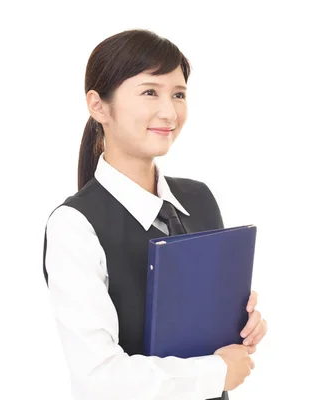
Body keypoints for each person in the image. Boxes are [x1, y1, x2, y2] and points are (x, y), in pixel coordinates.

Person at [42, 28, 268, 400]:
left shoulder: (199, 198)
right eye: (150, 92)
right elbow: (98, 376)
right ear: (99, 106)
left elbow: (203, 334)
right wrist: (216, 371)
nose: (169, 111)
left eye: (178, 94)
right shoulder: (75, 225)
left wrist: (239, 328)